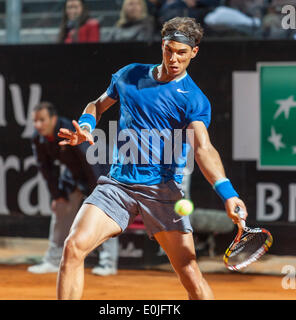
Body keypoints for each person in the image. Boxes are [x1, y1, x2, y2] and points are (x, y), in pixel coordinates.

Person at [57, 17, 248, 300]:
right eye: (169, 50)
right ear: (162, 45)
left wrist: (228, 193)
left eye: (182, 53)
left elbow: (203, 148)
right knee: (73, 247)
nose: (174, 59)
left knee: (190, 273)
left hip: (161, 192)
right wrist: (86, 126)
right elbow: (96, 105)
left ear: (194, 52)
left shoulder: (193, 99)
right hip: (117, 185)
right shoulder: (129, 74)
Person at [28, 102, 97, 273]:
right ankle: (52, 260)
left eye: (42, 120)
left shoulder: (69, 131)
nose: (38, 125)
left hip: (96, 172)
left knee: (103, 213)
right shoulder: (38, 138)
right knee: (60, 206)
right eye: (35, 121)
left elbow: (90, 161)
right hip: (73, 176)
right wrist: (57, 195)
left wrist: (98, 191)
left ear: (53, 119)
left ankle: (107, 263)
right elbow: (46, 169)